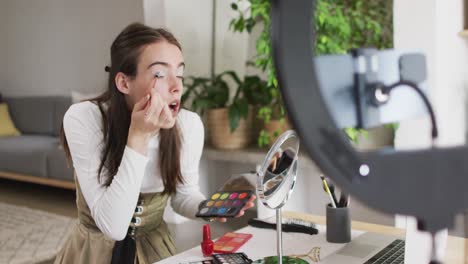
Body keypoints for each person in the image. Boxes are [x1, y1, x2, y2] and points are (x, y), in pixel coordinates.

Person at [54, 23, 255, 264]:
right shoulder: (84, 118)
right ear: (124, 83)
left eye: (179, 74)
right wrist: (139, 136)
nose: (177, 86)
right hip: (92, 251)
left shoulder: (188, 125)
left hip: (155, 250)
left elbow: (183, 195)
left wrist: (209, 207)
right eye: (160, 74)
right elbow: (113, 227)